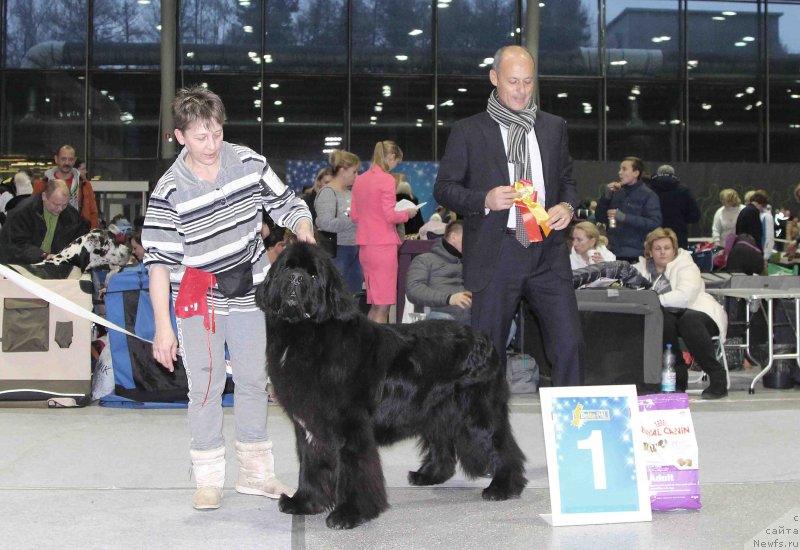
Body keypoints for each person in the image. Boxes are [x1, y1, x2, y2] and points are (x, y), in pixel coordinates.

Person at [141, 85, 315, 511]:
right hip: (198, 296)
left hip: (252, 288)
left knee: (255, 380)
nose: (211, 144)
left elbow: (288, 203)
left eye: (217, 133)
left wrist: (304, 228)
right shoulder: (168, 191)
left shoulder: (249, 163)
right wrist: (164, 328)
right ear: (180, 136)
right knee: (205, 385)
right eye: (201, 137)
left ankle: (257, 474)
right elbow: (159, 263)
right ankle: (208, 479)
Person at [433, 45, 584, 386]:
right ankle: (483, 433)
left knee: (570, 342)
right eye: (513, 81)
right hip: (496, 252)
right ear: (494, 78)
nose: (520, 90)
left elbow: (567, 182)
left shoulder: (553, 127)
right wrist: (484, 198)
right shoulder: (469, 131)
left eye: (527, 82)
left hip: (547, 251)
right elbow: (443, 188)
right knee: (487, 352)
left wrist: (567, 207)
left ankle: (573, 426)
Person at [633, 228, 728, 399]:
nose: (662, 252)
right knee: (660, 319)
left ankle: (717, 377)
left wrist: (653, 300)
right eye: (657, 248)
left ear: (674, 250)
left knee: (688, 321)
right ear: (650, 252)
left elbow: (685, 297)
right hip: (667, 318)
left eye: (667, 248)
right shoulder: (640, 270)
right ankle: (676, 377)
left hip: (699, 313)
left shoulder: (687, 265)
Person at [350, 140, 418, 323]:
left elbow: (355, 216)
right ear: (390, 157)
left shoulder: (360, 180)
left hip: (365, 248)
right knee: (384, 306)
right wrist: (407, 213)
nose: (395, 166)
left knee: (375, 304)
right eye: (396, 161)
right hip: (383, 247)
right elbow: (389, 215)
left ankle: (367, 347)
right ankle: (378, 350)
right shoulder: (387, 179)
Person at [0, 179, 88, 264]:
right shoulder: (22, 213)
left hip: (55, 267)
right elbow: (15, 245)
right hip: (19, 266)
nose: (60, 209)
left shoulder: (72, 215)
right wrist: (42, 255)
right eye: (56, 204)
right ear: (44, 196)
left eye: (64, 204)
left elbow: (79, 241)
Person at [314, 149, 363, 294]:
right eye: (354, 172)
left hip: (354, 249)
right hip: (336, 251)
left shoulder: (350, 193)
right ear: (343, 170)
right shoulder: (327, 193)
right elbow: (324, 223)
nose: (357, 176)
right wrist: (353, 219)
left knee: (353, 296)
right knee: (335, 297)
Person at [595, 156, 662, 263]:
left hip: (636, 254)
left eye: (624, 169)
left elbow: (655, 223)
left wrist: (625, 218)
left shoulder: (649, 195)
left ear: (636, 173)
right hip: (612, 251)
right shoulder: (617, 193)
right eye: (620, 169)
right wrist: (605, 198)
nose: (620, 173)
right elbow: (600, 218)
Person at [405, 220, 471, 325]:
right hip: (438, 316)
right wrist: (449, 299)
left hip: (468, 316)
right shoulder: (424, 260)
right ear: (454, 237)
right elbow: (414, 290)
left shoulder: (470, 264)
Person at [32, 144, 99, 229]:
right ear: (56, 159)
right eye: (63, 159)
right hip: (48, 233)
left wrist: (89, 232)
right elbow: (33, 211)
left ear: (74, 161)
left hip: (78, 233)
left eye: (70, 159)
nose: (67, 163)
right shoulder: (41, 184)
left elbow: (93, 212)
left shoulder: (85, 185)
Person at [648, 164, 700, 249]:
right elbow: (695, 215)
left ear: (658, 173)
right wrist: (681, 219)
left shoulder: (649, 190)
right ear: (673, 174)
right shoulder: (683, 190)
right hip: (678, 236)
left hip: (655, 235)